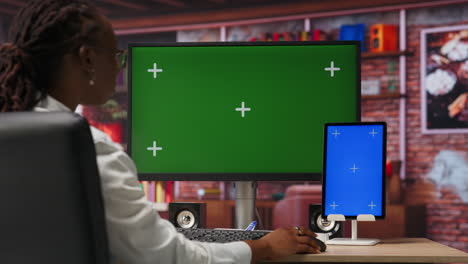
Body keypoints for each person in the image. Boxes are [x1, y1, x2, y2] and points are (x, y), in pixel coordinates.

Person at [0, 0, 322, 263]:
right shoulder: (86, 148)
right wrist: (265, 247)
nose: (119, 67)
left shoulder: (12, 132)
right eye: (116, 56)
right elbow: (168, 257)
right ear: (87, 59)